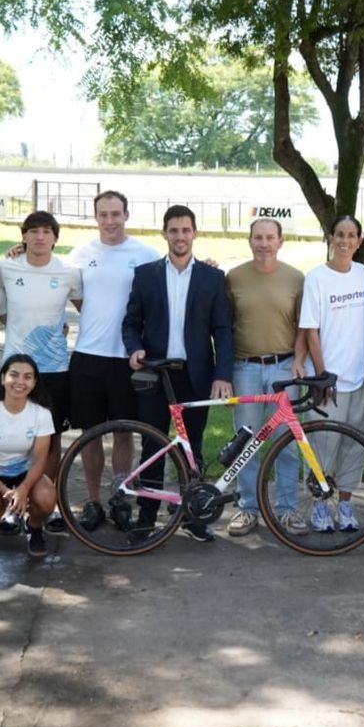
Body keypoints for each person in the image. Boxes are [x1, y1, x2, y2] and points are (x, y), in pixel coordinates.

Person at [123, 205, 234, 542]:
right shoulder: (146, 275)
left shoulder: (213, 278)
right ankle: (145, 518)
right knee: (153, 447)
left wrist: (222, 373)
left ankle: (191, 515)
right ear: (165, 234)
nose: (180, 236)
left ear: (195, 233)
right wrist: (135, 348)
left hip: (195, 375)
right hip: (156, 374)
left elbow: (223, 330)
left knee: (193, 449)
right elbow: (131, 322)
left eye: (186, 230)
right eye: (174, 230)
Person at [66, 191, 158, 530]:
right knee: (90, 435)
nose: (110, 221)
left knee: (123, 433)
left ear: (127, 214)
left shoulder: (146, 255)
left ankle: (121, 499)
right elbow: (78, 300)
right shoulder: (80, 254)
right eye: (103, 215)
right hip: (88, 356)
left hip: (127, 359)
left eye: (116, 214)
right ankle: (93, 503)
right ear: (95, 218)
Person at [0, 210, 82, 533]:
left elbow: (87, 308)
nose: (40, 237)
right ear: (24, 237)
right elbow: (0, 310)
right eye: (33, 231)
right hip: (15, 371)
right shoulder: (5, 268)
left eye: (47, 231)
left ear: (55, 238)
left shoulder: (69, 272)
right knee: (12, 439)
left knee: (51, 439)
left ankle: (50, 504)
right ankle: (11, 506)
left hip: (55, 369)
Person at [224, 218, 307, 537]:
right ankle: (248, 508)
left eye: (270, 237)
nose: (264, 243)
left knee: (286, 442)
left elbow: (304, 327)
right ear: (249, 241)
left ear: (280, 241)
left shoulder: (295, 278)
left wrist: (299, 361)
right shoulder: (234, 277)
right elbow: (225, 325)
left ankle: (287, 508)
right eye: (258, 237)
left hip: (283, 367)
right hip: (244, 367)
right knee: (246, 441)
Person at [294, 215, 364, 534]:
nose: (345, 240)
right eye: (339, 234)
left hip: (361, 377)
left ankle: (344, 503)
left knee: (354, 446)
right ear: (331, 237)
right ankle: (319, 506)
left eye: (351, 235)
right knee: (322, 445)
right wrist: (322, 372)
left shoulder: (363, 273)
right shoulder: (316, 278)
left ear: (359, 240)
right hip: (328, 380)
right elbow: (311, 329)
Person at [0, 354, 60, 558]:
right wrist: (3, 490)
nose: (20, 382)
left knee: (47, 498)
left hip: (26, 474)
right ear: (2, 378)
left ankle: (34, 527)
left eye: (27, 377)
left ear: (34, 383)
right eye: (14, 375)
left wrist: (24, 488)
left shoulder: (41, 413)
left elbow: (40, 460)